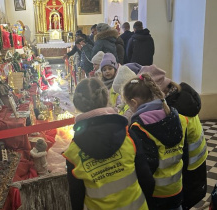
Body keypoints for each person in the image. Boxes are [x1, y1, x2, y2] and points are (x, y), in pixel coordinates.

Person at [63, 77, 154, 210]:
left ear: (77, 105)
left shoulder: (74, 151)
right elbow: (147, 180)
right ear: (106, 98)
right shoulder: (128, 135)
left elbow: (76, 197)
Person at [138, 65, 208, 210]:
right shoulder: (181, 98)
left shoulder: (175, 114)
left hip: (188, 170)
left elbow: (174, 150)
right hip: (197, 163)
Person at [123, 73, 189, 210]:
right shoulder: (175, 115)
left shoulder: (139, 127)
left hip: (157, 194)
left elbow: (147, 166)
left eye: (128, 105)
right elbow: (185, 153)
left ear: (134, 102)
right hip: (177, 187)